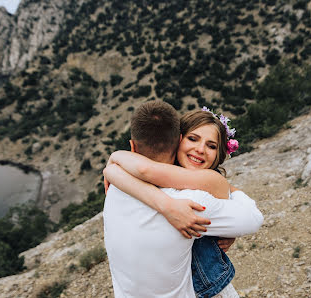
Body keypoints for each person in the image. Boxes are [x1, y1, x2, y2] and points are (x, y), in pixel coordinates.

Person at [103, 101, 263, 297]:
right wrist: (165, 205)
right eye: (193, 139)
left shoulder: (118, 186)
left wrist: (114, 161)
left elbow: (146, 170)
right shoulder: (191, 199)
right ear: (179, 140)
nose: (200, 149)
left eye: (211, 146)